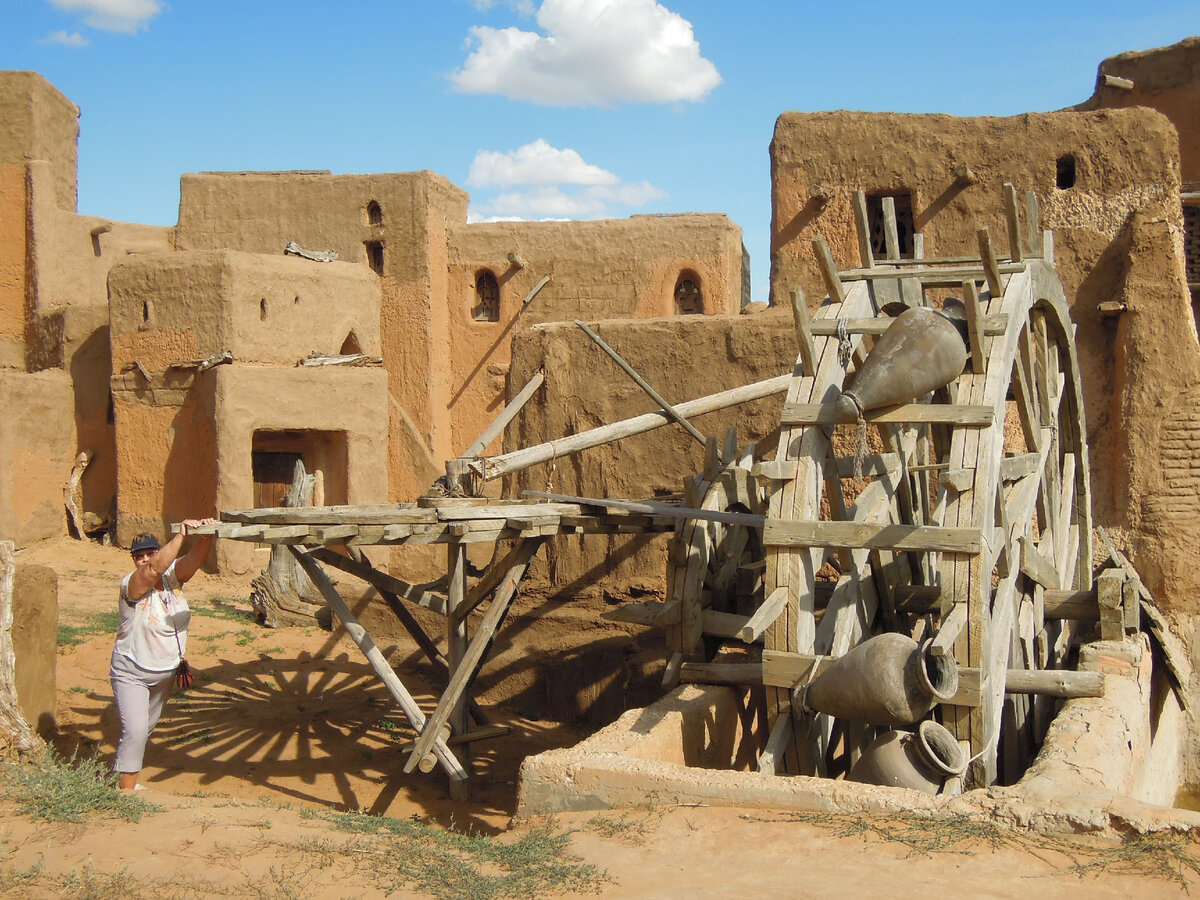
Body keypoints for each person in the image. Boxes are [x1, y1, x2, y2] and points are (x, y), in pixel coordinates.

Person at [110, 517, 216, 790]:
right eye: (139, 556)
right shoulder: (130, 585)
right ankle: (126, 792)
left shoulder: (172, 580)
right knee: (134, 730)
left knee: (143, 730)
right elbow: (153, 571)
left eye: (149, 553)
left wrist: (205, 535)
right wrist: (180, 535)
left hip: (165, 672)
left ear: (157, 552)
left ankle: (119, 778)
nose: (144, 559)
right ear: (133, 560)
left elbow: (194, 560)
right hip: (132, 671)